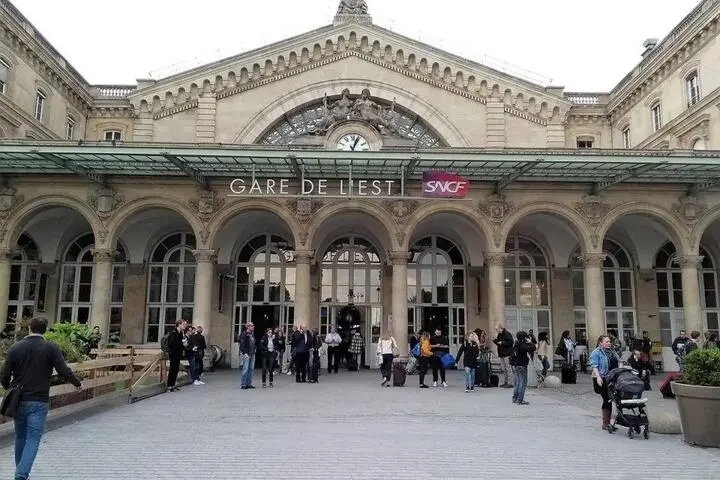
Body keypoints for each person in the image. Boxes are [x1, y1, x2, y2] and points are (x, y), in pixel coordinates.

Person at [0, 316, 82, 480]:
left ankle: (20, 471)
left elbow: (4, 375)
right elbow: (63, 370)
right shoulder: (50, 347)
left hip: (19, 400)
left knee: (21, 437)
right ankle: (21, 474)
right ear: (45, 330)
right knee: (33, 438)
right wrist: (77, 383)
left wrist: (8, 388)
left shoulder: (15, 348)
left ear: (29, 328)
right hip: (38, 400)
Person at [590, 335, 620, 430]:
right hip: (601, 378)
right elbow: (594, 366)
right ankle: (606, 423)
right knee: (607, 398)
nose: (609, 343)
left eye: (609, 341)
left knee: (612, 399)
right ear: (600, 343)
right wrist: (598, 377)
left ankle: (609, 423)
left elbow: (618, 362)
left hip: (611, 378)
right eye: (606, 342)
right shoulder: (596, 352)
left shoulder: (612, 352)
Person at [511, 331, 536, 405]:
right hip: (522, 365)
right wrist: (530, 342)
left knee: (518, 382)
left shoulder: (516, 344)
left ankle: (515, 398)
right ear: (524, 337)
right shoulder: (523, 346)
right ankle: (520, 399)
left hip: (516, 365)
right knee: (523, 383)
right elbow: (533, 348)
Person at [167, 319, 188, 392]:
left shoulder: (180, 333)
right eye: (183, 324)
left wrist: (183, 344)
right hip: (173, 354)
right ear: (179, 324)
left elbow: (179, 344)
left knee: (176, 369)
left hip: (178, 354)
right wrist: (180, 344)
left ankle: (173, 385)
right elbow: (171, 344)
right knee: (172, 369)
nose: (184, 326)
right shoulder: (173, 333)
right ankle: (169, 386)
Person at [238, 322, 257, 390]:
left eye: (253, 325)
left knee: (251, 369)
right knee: (245, 369)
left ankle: (249, 383)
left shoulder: (252, 334)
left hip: (252, 353)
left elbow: (254, 342)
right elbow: (241, 344)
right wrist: (244, 353)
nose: (253, 327)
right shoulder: (244, 334)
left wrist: (255, 349)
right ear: (248, 327)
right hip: (246, 354)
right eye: (252, 326)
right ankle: (243, 384)